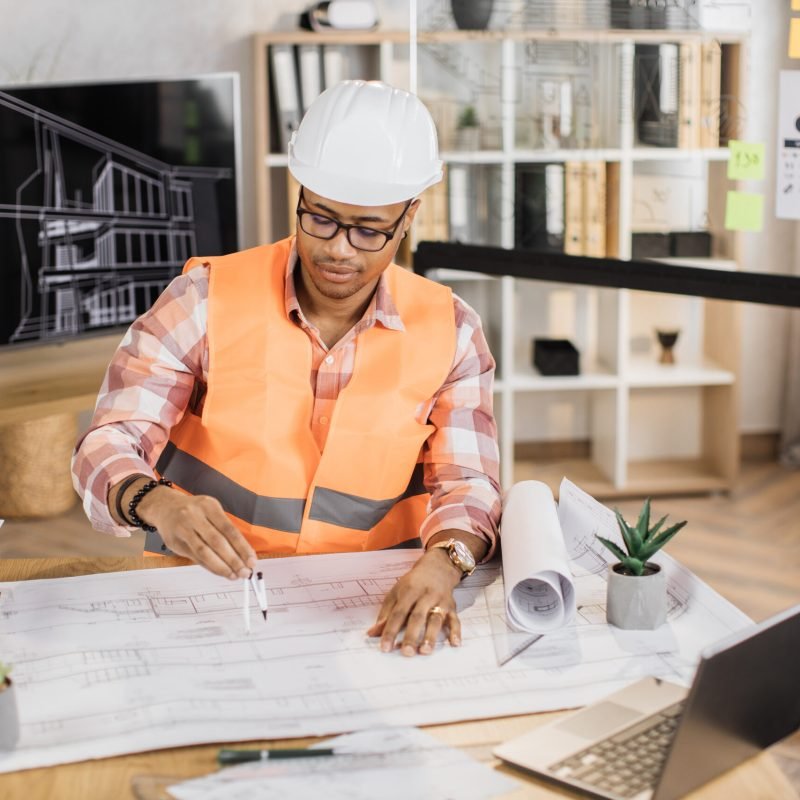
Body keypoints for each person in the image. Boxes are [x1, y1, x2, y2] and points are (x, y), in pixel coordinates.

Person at [72, 80, 501, 657]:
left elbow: (469, 483)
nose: (339, 250)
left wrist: (444, 564)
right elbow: (109, 438)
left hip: (371, 608)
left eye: (368, 230)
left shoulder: (453, 330)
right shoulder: (202, 299)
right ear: (299, 194)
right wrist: (156, 501)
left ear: (408, 217)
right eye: (320, 218)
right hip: (205, 597)